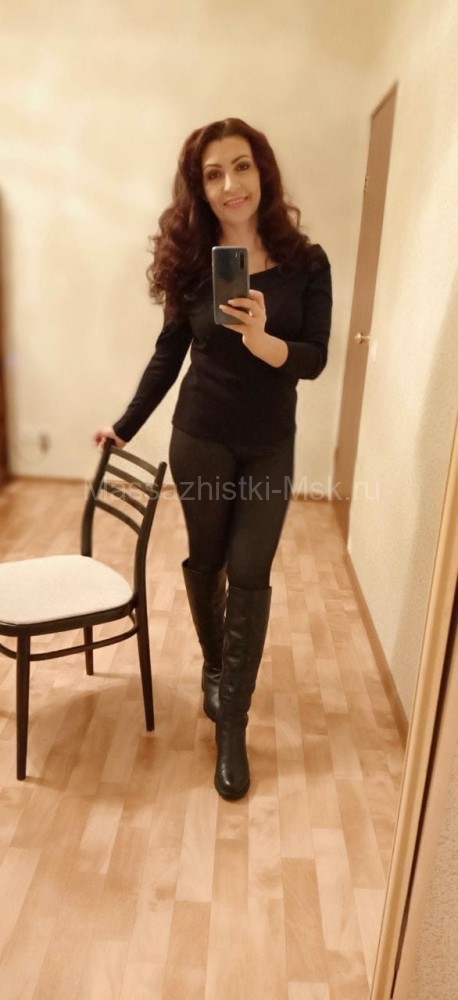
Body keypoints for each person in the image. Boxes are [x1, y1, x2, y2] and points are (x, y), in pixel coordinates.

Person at [95, 117, 332, 801]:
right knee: (207, 560)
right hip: (200, 437)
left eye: (242, 165)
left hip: (269, 444)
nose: (231, 184)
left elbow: (315, 358)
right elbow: (169, 354)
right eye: (214, 173)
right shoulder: (195, 264)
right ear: (200, 188)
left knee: (250, 570)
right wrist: (125, 426)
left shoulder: (306, 262)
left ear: (263, 171)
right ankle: (214, 668)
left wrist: (265, 342)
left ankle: (232, 723)